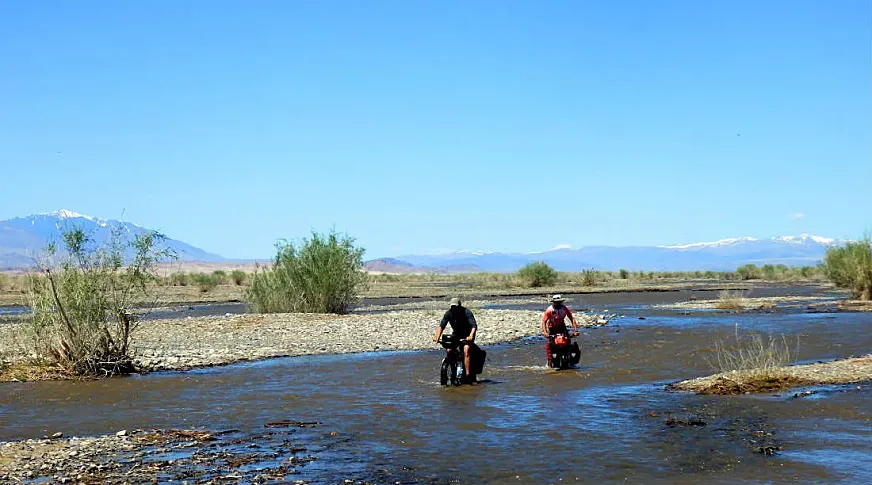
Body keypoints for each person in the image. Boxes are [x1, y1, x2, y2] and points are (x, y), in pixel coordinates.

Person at [433, 297, 480, 383]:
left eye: (456, 307)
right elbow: (441, 326)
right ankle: (452, 369)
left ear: (459, 306)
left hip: (467, 335)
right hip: (456, 334)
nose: (454, 309)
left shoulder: (467, 312)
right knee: (449, 349)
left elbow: (474, 326)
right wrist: (437, 337)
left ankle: (468, 375)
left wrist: (471, 335)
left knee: (466, 350)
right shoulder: (448, 313)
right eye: (452, 307)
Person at [541, 294, 580, 368]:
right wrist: (545, 332)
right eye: (556, 302)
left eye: (559, 302)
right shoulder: (549, 310)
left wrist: (575, 330)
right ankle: (550, 361)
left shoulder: (564, 308)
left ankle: (570, 359)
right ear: (553, 302)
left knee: (567, 341)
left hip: (562, 327)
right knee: (550, 344)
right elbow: (544, 321)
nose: (558, 303)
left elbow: (572, 318)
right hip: (552, 328)